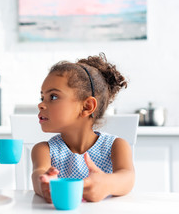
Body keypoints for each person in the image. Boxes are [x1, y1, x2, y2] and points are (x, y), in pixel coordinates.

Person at [31, 53, 134, 202]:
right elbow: (38, 175)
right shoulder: (44, 150)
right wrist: (45, 186)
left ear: (87, 106)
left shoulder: (116, 146)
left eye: (53, 96)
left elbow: (127, 178)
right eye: (42, 98)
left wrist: (106, 184)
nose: (41, 104)